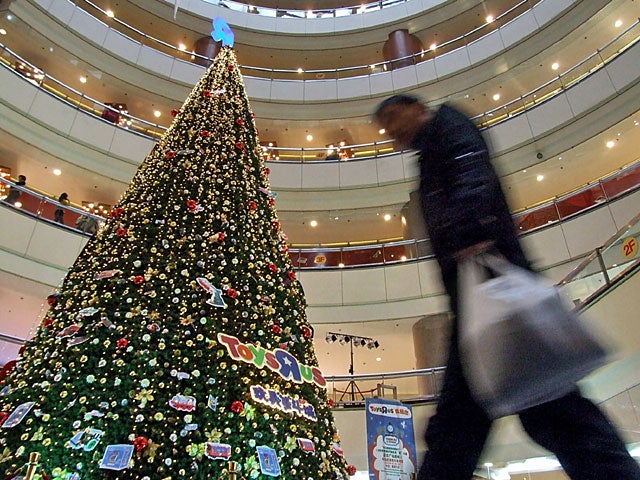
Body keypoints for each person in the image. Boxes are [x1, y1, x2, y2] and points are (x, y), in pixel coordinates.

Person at [373, 94, 640, 479]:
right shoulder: (432, 147)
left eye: (394, 119)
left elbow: (472, 174)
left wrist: (471, 232)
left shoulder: (450, 130)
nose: (391, 132)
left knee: (491, 419)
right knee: (534, 411)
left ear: (417, 109)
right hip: (475, 292)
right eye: (386, 127)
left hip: (488, 285)